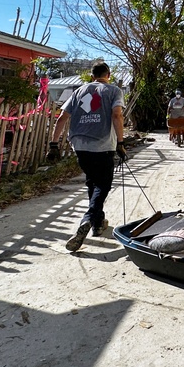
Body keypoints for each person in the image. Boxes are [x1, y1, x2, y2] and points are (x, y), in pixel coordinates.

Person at [49, 62, 126, 252]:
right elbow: (117, 116)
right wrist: (121, 143)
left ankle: (98, 224)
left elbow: (62, 118)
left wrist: (53, 144)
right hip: (102, 145)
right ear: (108, 74)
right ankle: (88, 219)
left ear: (92, 76)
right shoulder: (113, 90)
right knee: (103, 185)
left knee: (93, 182)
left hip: (80, 146)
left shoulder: (78, 92)